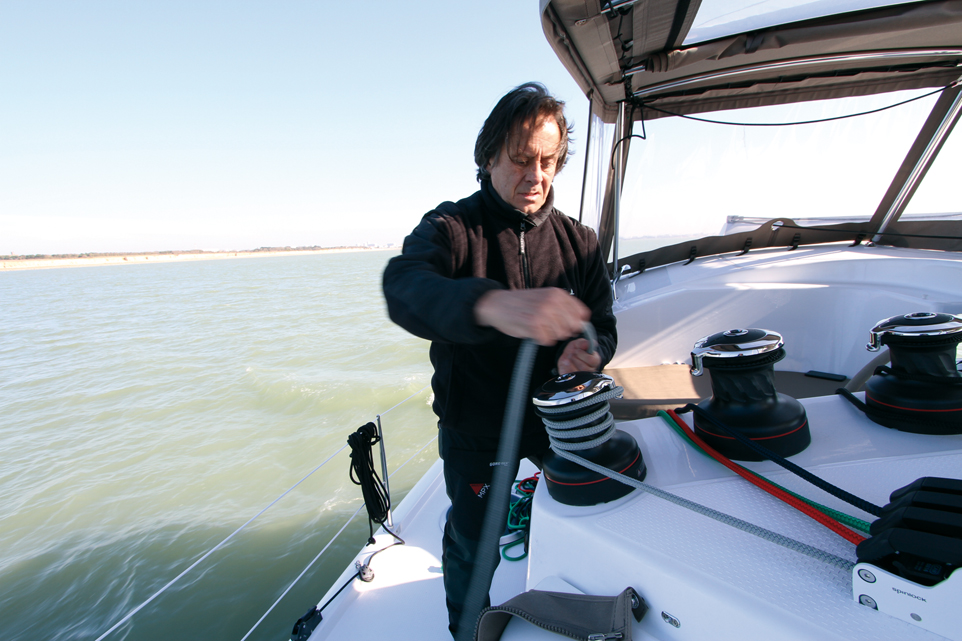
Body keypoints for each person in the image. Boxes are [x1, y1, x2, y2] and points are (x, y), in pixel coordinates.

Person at [382, 82, 616, 635]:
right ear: (488, 157)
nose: (535, 175)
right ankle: (467, 630)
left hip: (561, 418)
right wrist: (491, 304)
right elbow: (404, 287)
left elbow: (603, 325)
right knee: (473, 540)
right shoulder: (452, 229)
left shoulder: (580, 242)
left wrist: (591, 352)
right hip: (477, 428)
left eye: (548, 161)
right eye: (519, 159)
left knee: (594, 512)